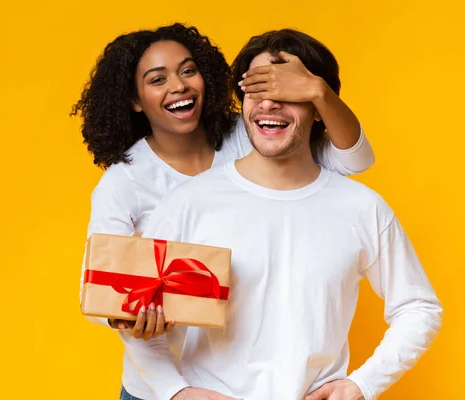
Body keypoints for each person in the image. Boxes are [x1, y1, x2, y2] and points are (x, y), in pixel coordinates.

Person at [123, 28, 443, 400]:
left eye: (288, 93)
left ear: (319, 108)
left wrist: (363, 384)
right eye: (256, 91)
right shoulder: (189, 203)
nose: (269, 104)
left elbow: (419, 307)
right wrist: (175, 391)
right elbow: (137, 317)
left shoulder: (362, 208)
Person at [72, 23, 376, 400]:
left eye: (187, 71)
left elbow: (354, 159)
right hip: (160, 384)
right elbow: (102, 285)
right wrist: (128, 317)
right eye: (157, 79)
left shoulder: (248, 134)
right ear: (134, 100)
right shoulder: (124, 182)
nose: (178, 86)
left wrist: (317, 91)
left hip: (234, 380)